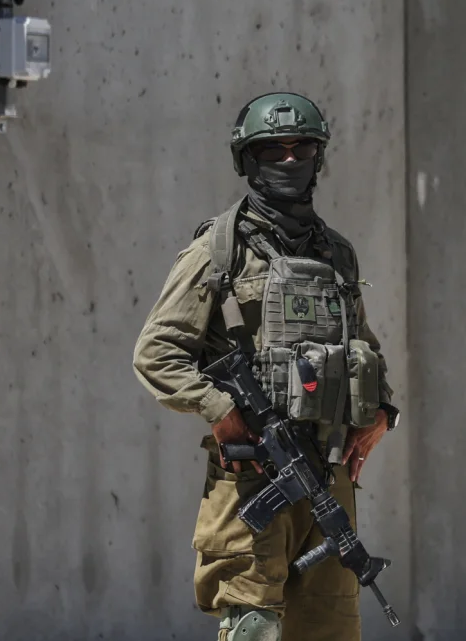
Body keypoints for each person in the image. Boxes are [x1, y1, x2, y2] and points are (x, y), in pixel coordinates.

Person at [132, 91, 399, 641]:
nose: (289, 159)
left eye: (302, 148)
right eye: (272, 149)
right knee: (252, 629)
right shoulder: (217, 253)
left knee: (330, 633)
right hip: (253, 475)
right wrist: (219, 408)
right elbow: (156, 353)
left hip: (327, 475)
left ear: (318, 157)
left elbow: (363, 346)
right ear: (247, 159)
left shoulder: (335, 254)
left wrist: (382, 412)